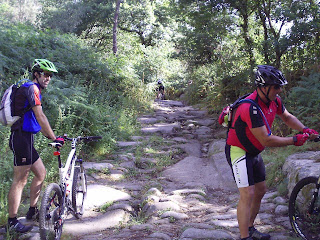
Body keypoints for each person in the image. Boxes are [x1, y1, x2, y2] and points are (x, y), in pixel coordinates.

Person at [222, 65, 319, 240]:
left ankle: (250, 228)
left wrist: (305, 129)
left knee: (260, 190)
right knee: (247, 194)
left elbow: (287, 117)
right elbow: (266, 139)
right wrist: (294, 140)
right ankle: (245, 237)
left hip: (254, 152)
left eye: (279, 86)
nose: (279, 90)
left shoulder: (274, 100)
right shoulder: (249, 108)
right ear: (263, 87)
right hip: (238, 151)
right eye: (276, 87)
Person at [7, 59, 64, 233]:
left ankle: (32, 211)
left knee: (41, 173)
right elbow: (40, 116)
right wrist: (54, 138)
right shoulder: (31, 88)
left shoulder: (32, 89)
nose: (48, 78)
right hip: (21, 139)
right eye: (45, 74)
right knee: (20, 180)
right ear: (36, 74)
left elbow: (36, 117)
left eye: (50, 75)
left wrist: (52, 136)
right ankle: (12, 221)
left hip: (26, 139)